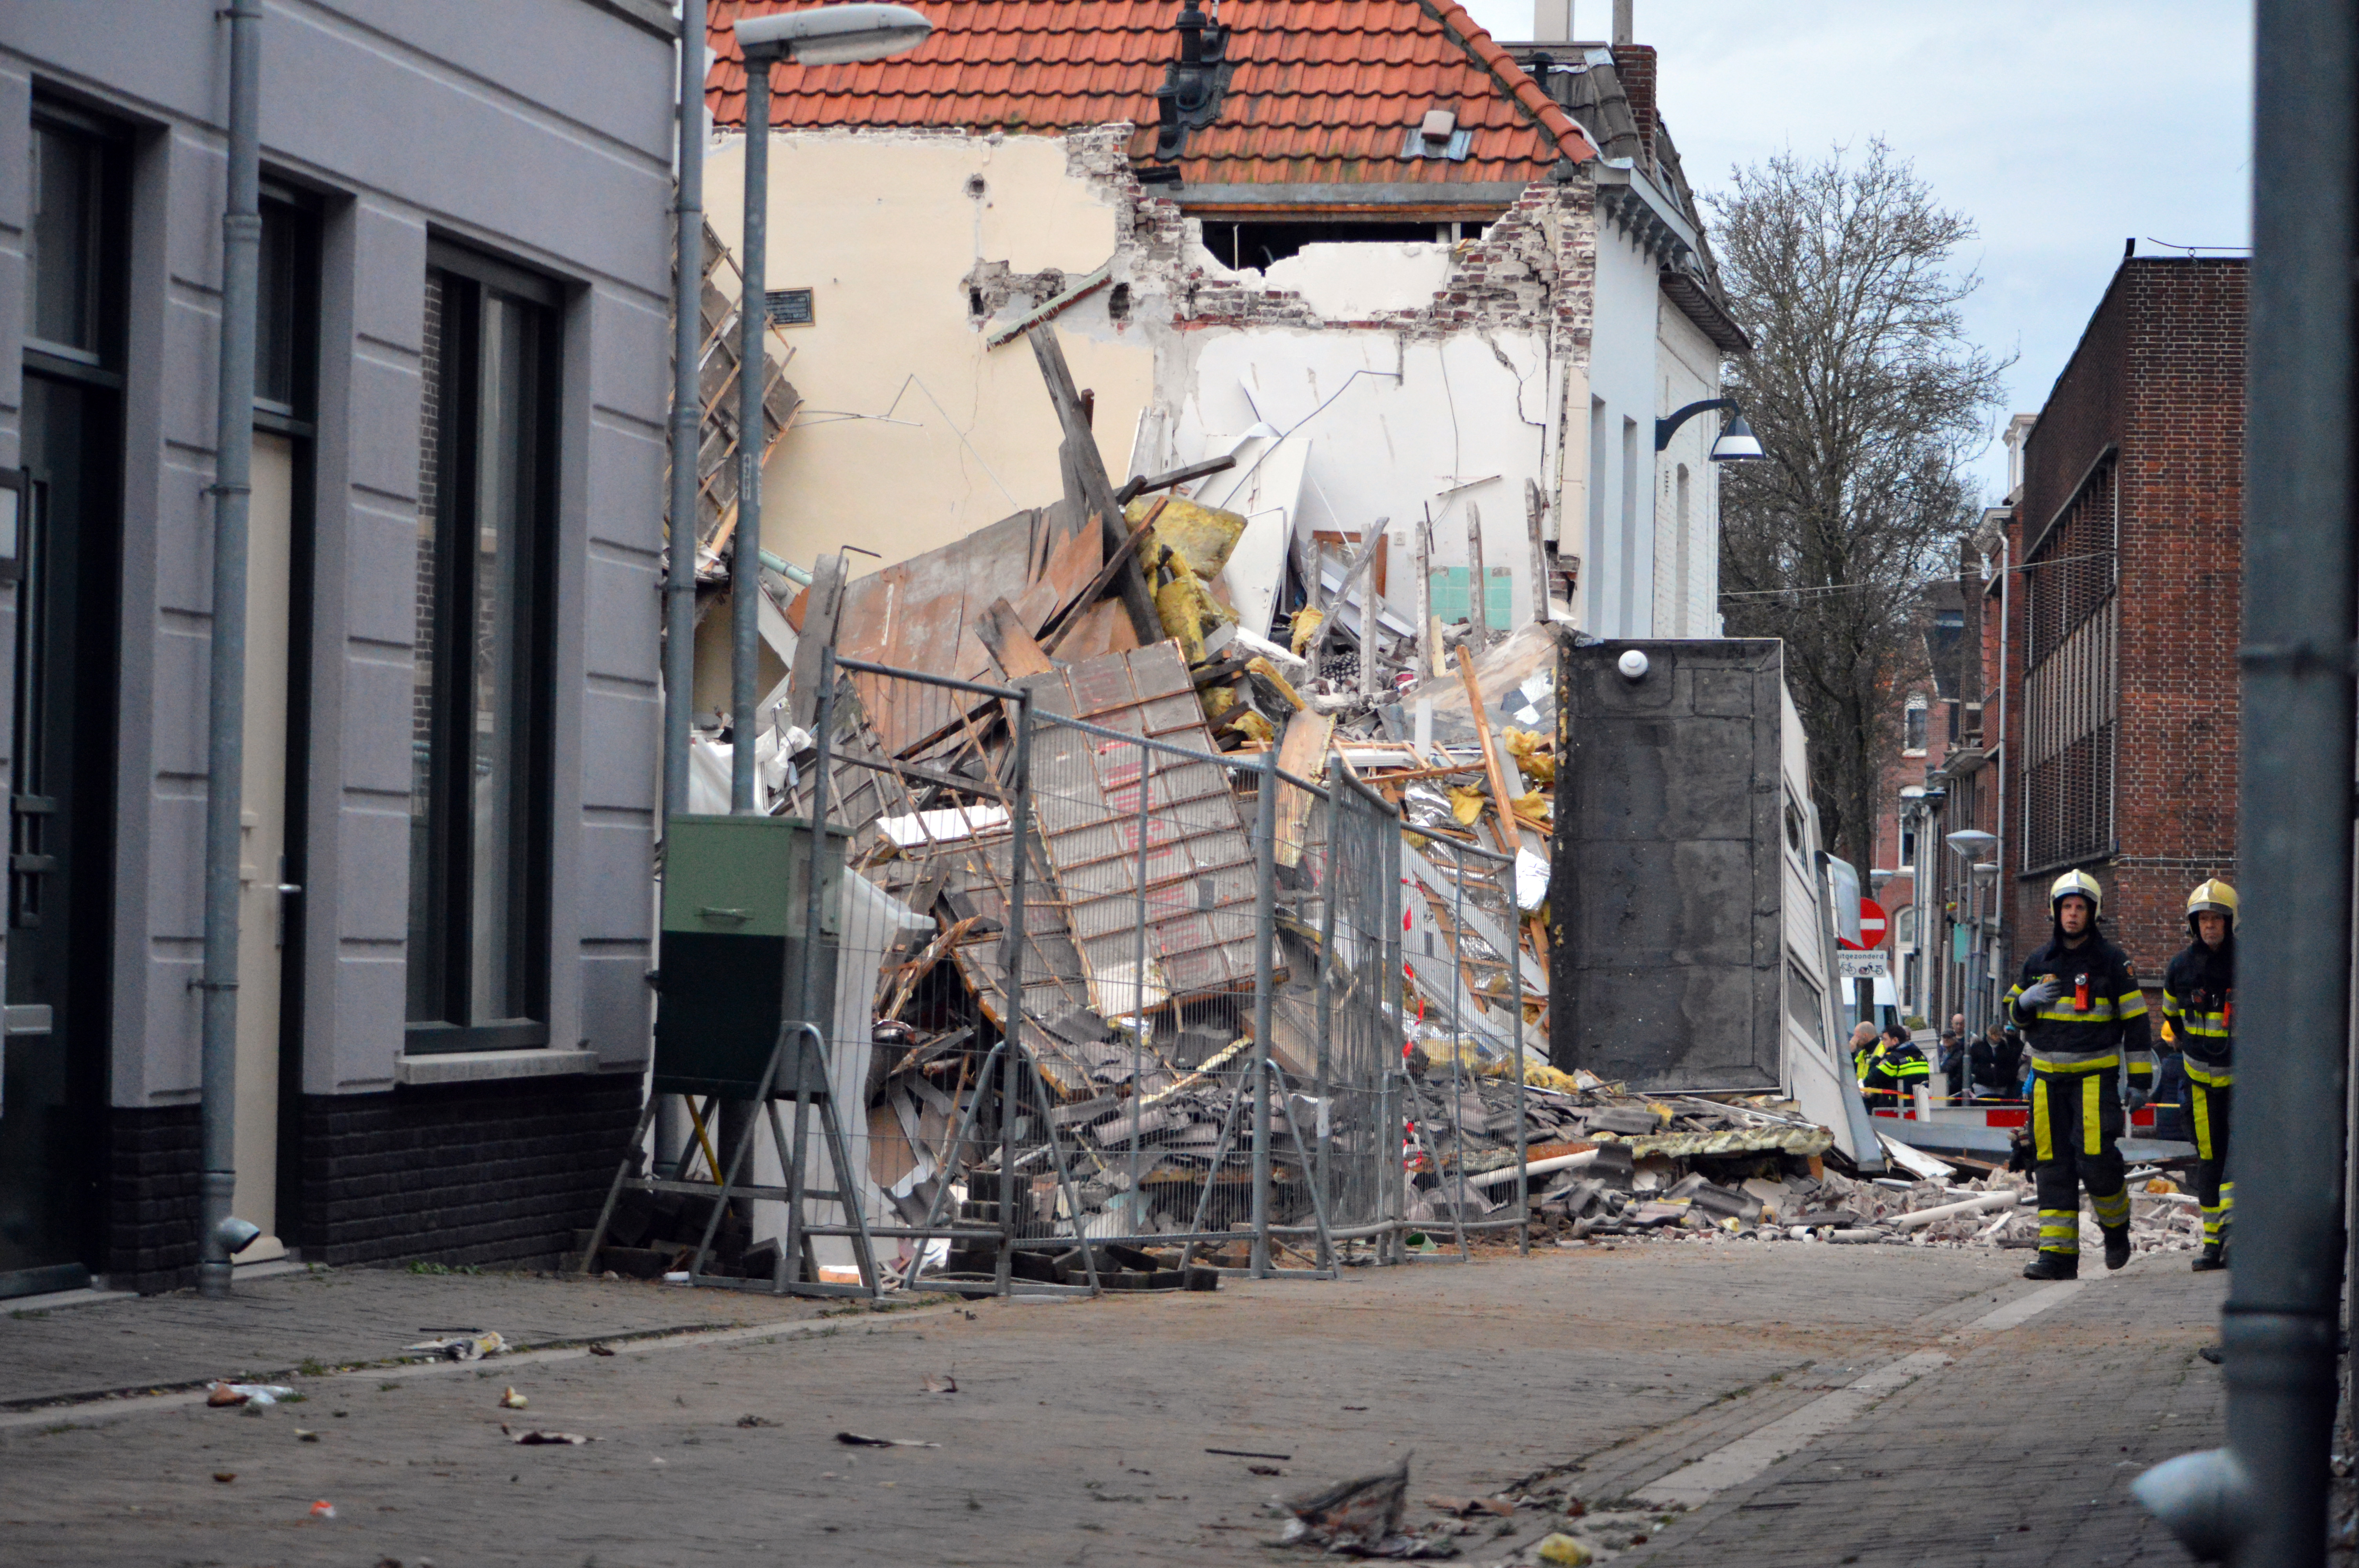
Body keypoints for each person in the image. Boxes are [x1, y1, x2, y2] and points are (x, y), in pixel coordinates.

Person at [2002, 869, 2154, 1280]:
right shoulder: (2038, 962)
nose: (2072, 914)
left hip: (2093, 1079)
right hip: (2046, 1081)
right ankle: (2057, 1255)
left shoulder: (2113, 962)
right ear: (2055, 912)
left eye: (2080, 907)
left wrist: (2140, 1081)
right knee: (2051, 1165)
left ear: (2093, 913)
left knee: (2097, 1161)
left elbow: (2137, 1023)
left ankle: (2115, 1230)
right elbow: (2013, 1016)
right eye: (2066, 907)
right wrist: (2026, 1001)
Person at [2161, 879, 2237, 1272]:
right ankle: (2212, 1244)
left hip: (2241, 1084)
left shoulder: (2248, 964)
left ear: (2230, 922)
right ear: (2194, 924)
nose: (2210, 926)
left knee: (2237, 1161)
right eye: (2203, 919)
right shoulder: (2180, 967)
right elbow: (2171, 1016)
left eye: (2217, 919)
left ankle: (2236, 1238)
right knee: (2209, 1161)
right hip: (2200, 1081)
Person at [1862, 1020, 1930, 1112]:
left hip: (1896, 1111)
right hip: (1919, 1110)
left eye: (1885, 1039)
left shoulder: (1894, 1059)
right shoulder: (1922, 1057)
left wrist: (1877, 1059)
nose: (1882, 1043)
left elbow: (1871, 1078)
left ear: (1895, 1040)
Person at [1969, 1020, 2024, 1102]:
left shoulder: (2005, 1048)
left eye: (2001, 1035)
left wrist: (2006, 1076)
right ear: (1991, 1034)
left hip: (2001, 1086)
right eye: (1997, 1035)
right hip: (1982, 1085)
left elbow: (2011, 1064)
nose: (1999, 1037)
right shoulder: (1979, 1047)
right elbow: (1972, 1063)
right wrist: (1981, 1071)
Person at [1938, 1013, 1968, 1100]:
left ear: (1954, 1040)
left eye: (1948, 1038)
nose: (1946, 1040)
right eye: (1944, 1038)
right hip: (1941, 1089)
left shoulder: (1959, 1054)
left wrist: (1948, 1086)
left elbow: (1959, 1077)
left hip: (1953, 1093)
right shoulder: (1942, 1053)